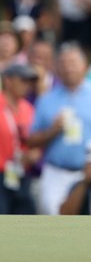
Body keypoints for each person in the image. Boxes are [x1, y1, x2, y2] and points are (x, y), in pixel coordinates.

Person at [28, 44, 91, 214]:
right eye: (63, 63)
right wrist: (53, 130)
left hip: (90, 173)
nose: (68, 67)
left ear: (84, 65)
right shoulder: (46, 99)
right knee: (54, 224)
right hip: (56, 172)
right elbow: (31, 140)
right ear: (56, 67)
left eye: (72, 62)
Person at [0, 64, 40, 214]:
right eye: (23, 80)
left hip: (22, 173)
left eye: (29, 81)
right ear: (8, 81)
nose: (27, 85)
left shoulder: (28, 108)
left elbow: (35, 139)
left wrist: (34, 153)